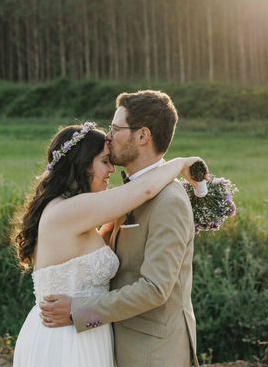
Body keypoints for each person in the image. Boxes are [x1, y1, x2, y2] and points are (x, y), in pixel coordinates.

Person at [12, 119, 204, 366]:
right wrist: (180, 164)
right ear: (82, 165)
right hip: (67, 338)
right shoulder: (69, 210)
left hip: (85, 331)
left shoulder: (77, 213)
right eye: (105, 161)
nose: (112, 170)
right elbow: (143, 191)